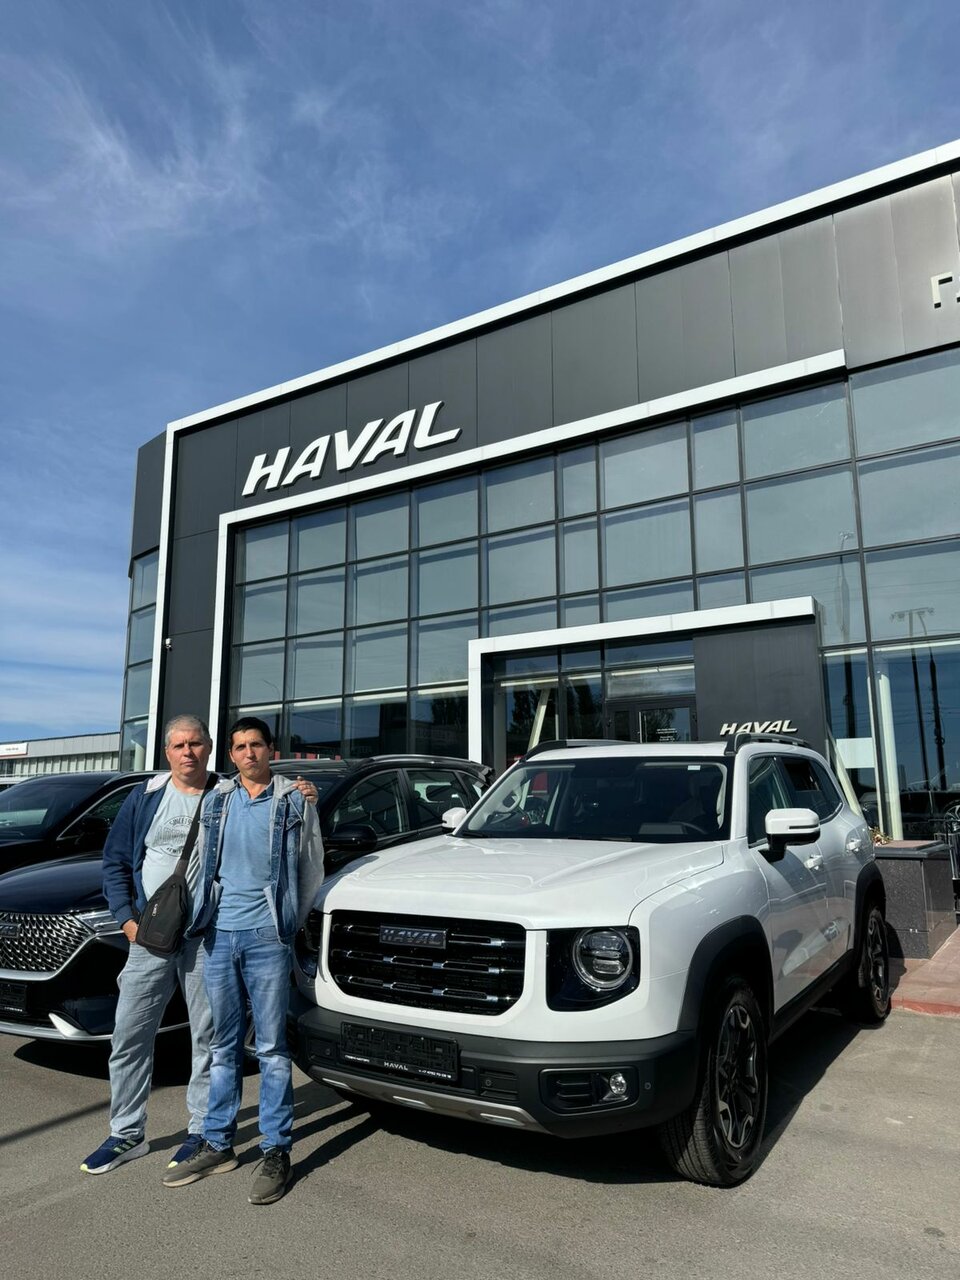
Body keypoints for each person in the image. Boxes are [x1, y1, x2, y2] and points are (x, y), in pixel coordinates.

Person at [81, 714, 316, 1178]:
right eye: (178, 745)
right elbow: (115, 860)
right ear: (167, 752)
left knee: (209, 1038)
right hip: (150, 936)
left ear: (210, 750)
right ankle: (126, 1132)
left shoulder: (225, 793)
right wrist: (126, 919)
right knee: (130, 1035)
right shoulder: (146, 796)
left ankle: (202, 1131)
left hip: (207, 936)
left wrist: (304, 791)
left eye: (195, 744)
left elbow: (277, 809)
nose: (187, 752)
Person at [162, 716, 324, 1206]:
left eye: (256, 744)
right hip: (219, 936)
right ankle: (218, 1143)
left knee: (271, 1048)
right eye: (239, 747)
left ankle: (276, 1150)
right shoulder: (218, 800)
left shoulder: (293, 801)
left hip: (266, 937)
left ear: (270, 749)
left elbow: (311, 866)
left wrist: (287, 924)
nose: (248, 753)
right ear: (230, 754)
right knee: (222, 1044)